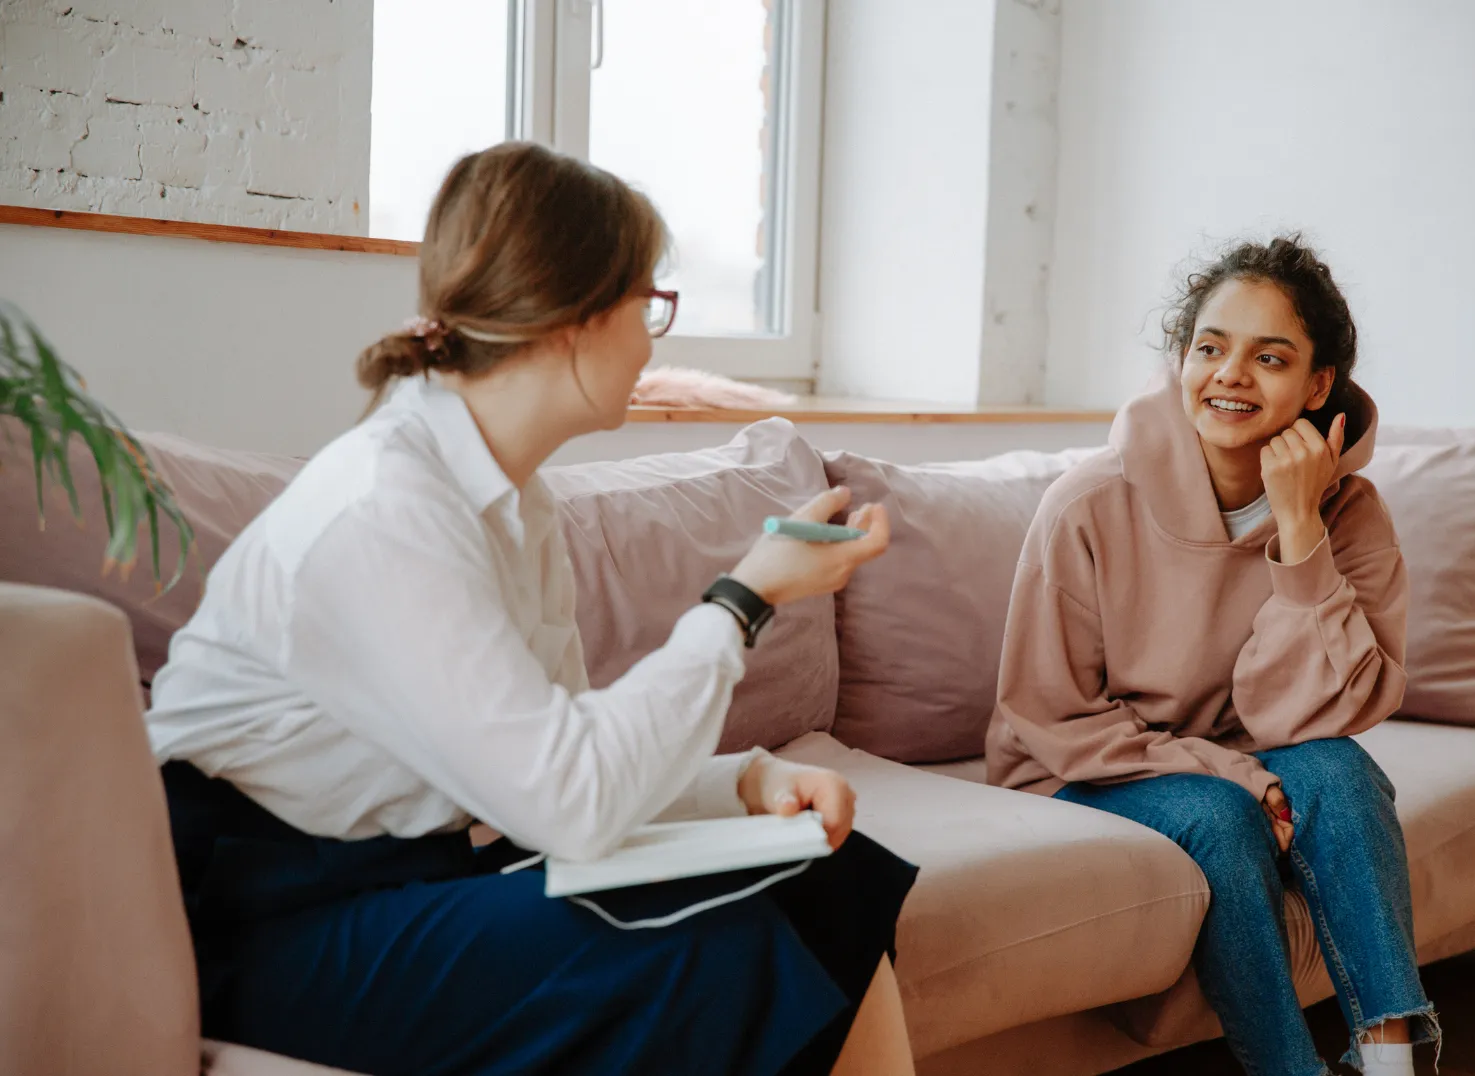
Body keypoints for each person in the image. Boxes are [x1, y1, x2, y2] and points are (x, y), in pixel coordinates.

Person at [145, 141, 919, 1076]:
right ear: (573, 320)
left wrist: (744, 784)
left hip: (403, 878)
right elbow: (572, 804)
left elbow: (561, 750)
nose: (652, 337)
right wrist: (744, 597)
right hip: (260, 922)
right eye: (651, 304)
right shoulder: (386, 508)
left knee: (831, 875)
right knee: (704, 950)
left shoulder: (516, 502)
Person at [988, 237, 1437, 1076]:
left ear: (1317, 386)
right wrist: (1237, 775)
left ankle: (1392, 1062)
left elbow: (1330, 714)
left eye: (1269, 357)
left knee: (1340, 771)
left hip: (1239, 756)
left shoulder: (1351, 514)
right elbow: (1048, 716)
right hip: (1081, 770)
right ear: (1181, 361)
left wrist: (1300, 534)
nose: (1230, 375)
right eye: (1209, 347)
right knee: (1223, 818)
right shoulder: (1086, 505)